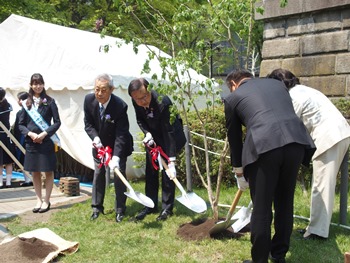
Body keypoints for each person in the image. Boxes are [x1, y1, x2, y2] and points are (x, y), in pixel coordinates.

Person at [224, 69, 315, 263]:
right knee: (284, 202)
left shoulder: (233, 98)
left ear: (233, 84)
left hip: (265, 147)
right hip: (296, 142)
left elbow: (235, 140)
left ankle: (259, 260)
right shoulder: (277, 84)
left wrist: (239, 172)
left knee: (262, 207)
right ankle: (278, 254)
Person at [267, 68, 350, 240]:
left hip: (329, 136)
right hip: (339, 133)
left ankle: (318, 232)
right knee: (321, 182)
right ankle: (315, 227)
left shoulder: (293, 97)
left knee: (322, 185)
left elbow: (288, 123)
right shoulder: (306, 90)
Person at [128, 78, 186, 221]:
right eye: (137, 99)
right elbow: (140, 120)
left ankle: (167, 208)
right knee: (151, 171)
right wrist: (147, 133)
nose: (142, 101)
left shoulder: (162, 101)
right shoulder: (136, 100)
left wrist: (171, 160)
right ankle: (150, 205)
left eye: (144, 97)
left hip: (170, 137)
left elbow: (169, 131)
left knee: (168, 174)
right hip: (153, 138)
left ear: (148, 89)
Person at [84, 73, 133, 222]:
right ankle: (96, 207)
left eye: (103, 90)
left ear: (111, 89)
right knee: (98, 173)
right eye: (97, 89)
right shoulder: (89, 100)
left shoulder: (120, 106)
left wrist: (116, 157)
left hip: (118, 145)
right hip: (100, 145)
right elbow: (88, 124)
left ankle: (120, 209)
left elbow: (121, 134)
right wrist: (96, 138)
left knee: (119, 175)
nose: (99, 93)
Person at [18, 73, 61, 213]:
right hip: (31, 142)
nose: (38, 86)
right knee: (35, 172)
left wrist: (44, 133)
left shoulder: (50, 101)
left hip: (46, 141)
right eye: (35, 83)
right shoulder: (26, 103)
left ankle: (47, 200)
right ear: (31, 85)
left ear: (43, 84)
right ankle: (38, 199)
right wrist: (30, 134)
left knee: (48, 171)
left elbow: (57, 122)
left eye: (40, 83)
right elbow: (21, 124)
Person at [12, 91, 33, 187]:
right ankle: (28, 179)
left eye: (20, 99)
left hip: (25, 138)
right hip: (24, 138)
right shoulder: (21, 112)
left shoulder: (27, 112)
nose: (18, 101)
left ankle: (29, 180)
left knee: (26, 159)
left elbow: (18, 128)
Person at [0, 87, 15, 188]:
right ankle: (8, 182)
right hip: (7, 135)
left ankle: (1, 182)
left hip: (2, 134)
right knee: (8, 161)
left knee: (0, 162)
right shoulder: (8, 105)